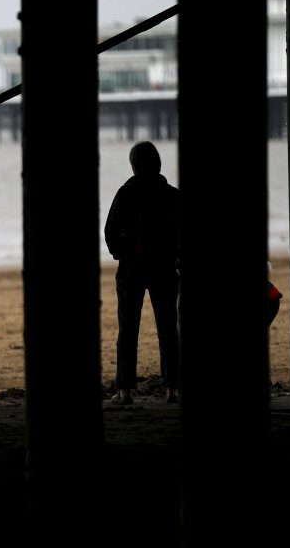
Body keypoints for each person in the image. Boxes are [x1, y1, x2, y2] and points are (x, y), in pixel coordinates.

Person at [105, 141, 181, 405]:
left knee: (128, 330)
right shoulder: (171, 194)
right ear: (158, 163)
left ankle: (124, 391)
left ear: (134, 165)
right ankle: (173, 388)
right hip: (164, 269)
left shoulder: (125, 194)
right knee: (168, 328)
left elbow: (110, 233)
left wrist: (123, 254)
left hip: (131, 270)